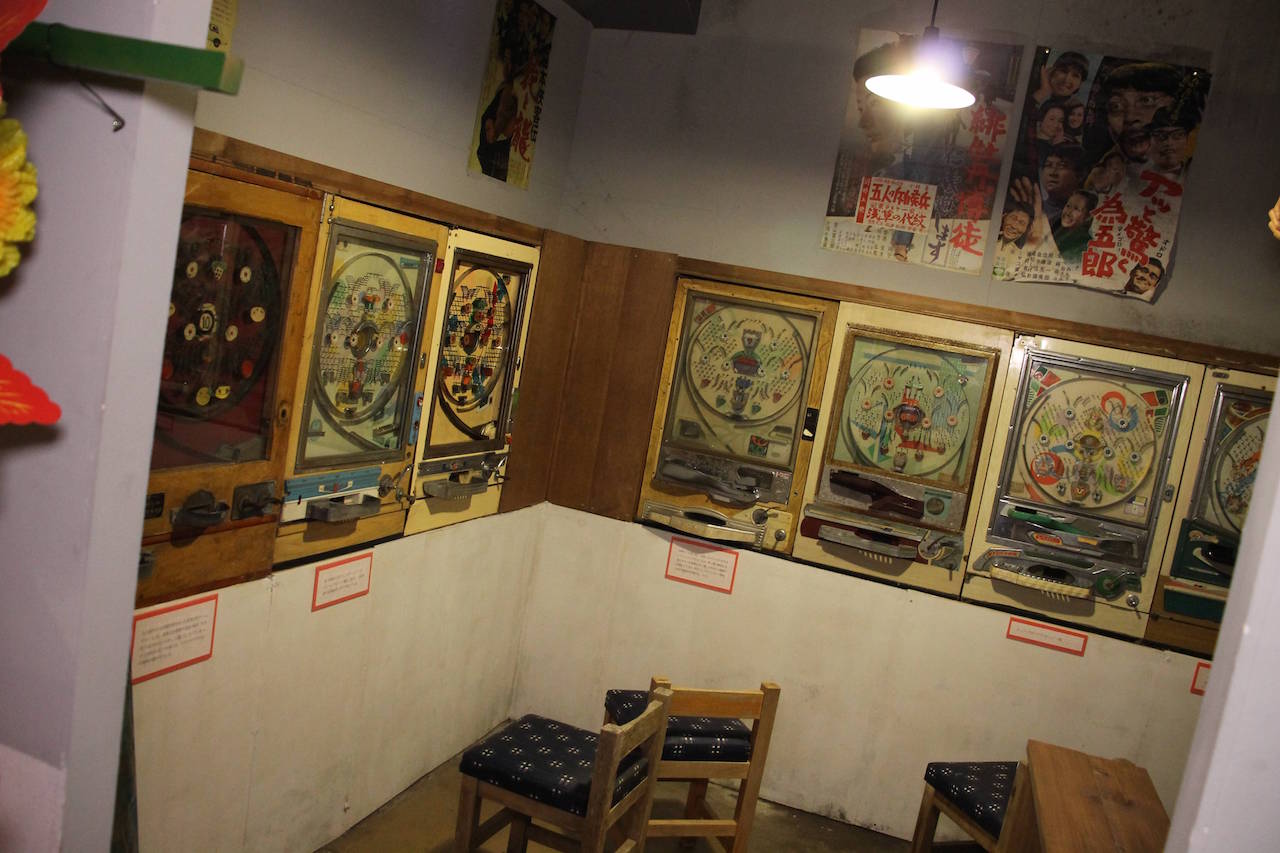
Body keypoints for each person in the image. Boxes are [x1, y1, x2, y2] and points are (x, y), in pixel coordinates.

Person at [1037, 143, 1084, 220]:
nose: (1052, 173)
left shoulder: (1084, 213)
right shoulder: (1035, 208)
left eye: (1061, 166)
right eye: (1048, 165)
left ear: (1080, 175)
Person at [1050, 189, 1098, 264]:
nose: (1068, 212)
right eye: (1068, 206)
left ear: (1088, 216)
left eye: (1076, 209)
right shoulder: (1053, 226)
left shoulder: (1084, 244)